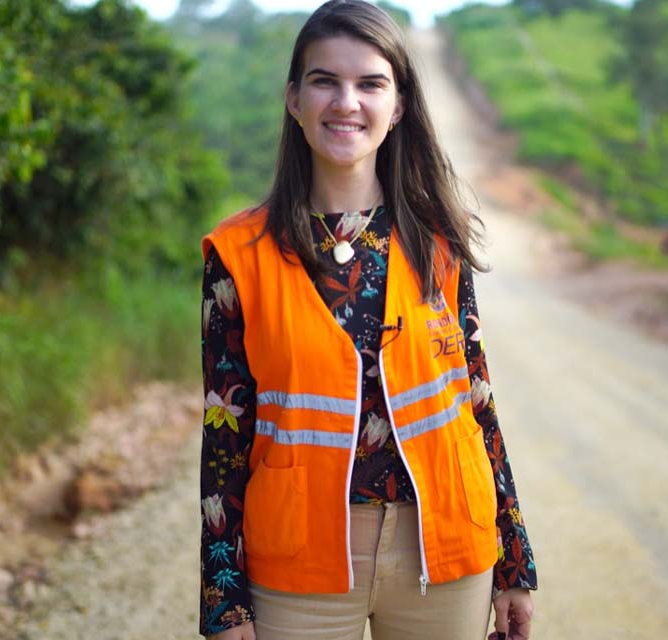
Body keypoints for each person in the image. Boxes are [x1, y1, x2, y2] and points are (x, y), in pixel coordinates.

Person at [198, 2, 537, 639]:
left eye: (370, 83)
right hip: (297, 564)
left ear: (399, 104)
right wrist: (222, 598)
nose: (345, 101)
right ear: (294, 99)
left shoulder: (439, 242)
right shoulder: (238, 256)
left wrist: (513, 556)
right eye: (325, 80)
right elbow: (226, 432)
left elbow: (478, 403)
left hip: (445, 551)